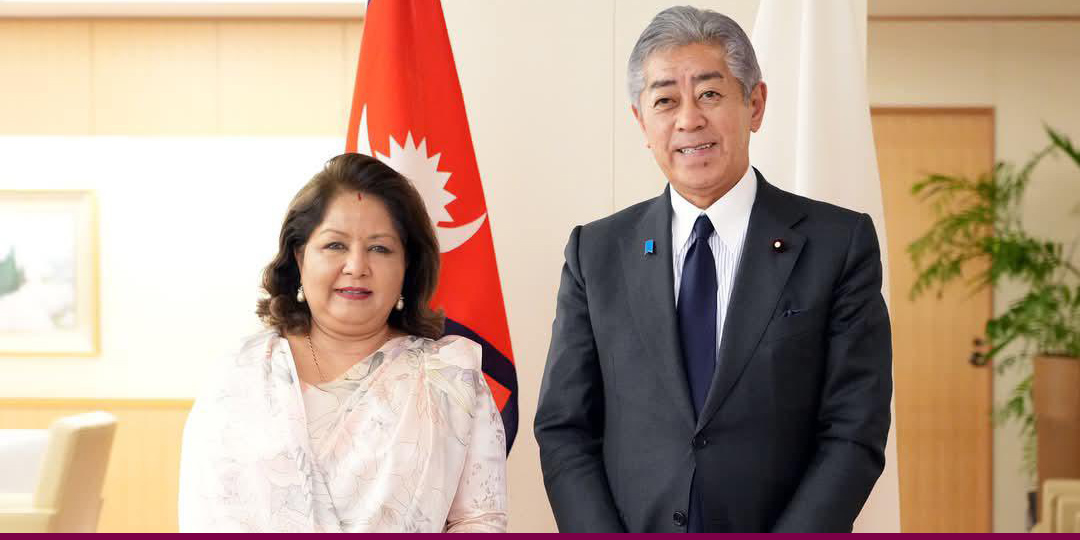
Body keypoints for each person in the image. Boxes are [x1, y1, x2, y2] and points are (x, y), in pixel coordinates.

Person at [535, 5, 892, 533]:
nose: (688, 120)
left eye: (709, 94)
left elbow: (854, 428)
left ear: (755, 104)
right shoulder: (597, 252)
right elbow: (565, 428)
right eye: (665, 100)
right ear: (641, 121)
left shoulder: (837, 244)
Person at [179, 153, 507, 532]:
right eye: (335, 245)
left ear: (407, 266)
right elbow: (205, 514)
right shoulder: (241, 373)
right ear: (300, 256)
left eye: (380, 248)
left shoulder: (450, 378)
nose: (356, 266)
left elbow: (479, 521)